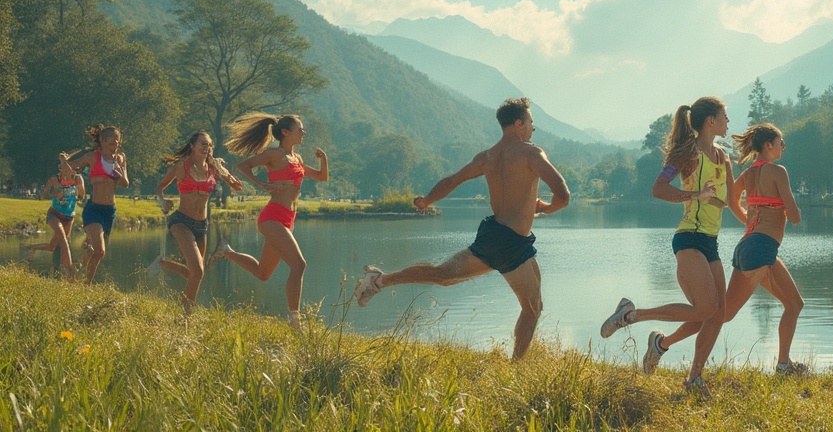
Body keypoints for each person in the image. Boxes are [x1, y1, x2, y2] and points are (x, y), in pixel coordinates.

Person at [353, 97, 570, 361]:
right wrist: (544, 208)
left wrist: (427, 200)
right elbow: (563, 195)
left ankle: (380, 279)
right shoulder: (532, 154)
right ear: (518, 124)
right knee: (532, 308)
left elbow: (452, 180)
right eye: (531, 123)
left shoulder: (487, 157)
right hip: (511, 242)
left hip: (493, 235)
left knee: (444, 275)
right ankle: (516, 369)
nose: (533, 129)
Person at [599, 96, 744, 397]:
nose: (728, 121)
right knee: (705, 308)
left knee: (715, 314)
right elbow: (658, 189)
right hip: (689, 237)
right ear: (710, 121)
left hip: (710, 241)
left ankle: (685, 370)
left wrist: (750, 216)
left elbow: (729, 201)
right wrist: (694, 196)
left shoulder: (724, 158)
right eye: (724, 116)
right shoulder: (688, 154)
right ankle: (632, 314)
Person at [641, 123, 806, 377]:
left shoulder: (749, 174)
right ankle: (783, 366)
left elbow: (732, 199)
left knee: (776, 306)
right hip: (760, 248)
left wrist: (748, 219)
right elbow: (794, 217)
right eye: (780, 142)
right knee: (730, 313)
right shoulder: (778, 172)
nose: (784, 146)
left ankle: (662, 344)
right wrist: (784, 207)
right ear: (768, 145)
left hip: (749, 245)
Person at [208, 113, 328, 329]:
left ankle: (227, 252)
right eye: (300, 129)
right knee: (299, 265)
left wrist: (324, 159)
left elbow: (321, 177)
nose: (304, 132)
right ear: (286, 132)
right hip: (272, 217)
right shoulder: (274, 155)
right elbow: (242, 166)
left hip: (288, 219)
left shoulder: (297, 159)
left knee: (263, 273)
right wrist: (261, 184)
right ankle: (294, 320)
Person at [150, 131, 243, 313]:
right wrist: (163, 202)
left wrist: (222, 170)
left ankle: (163, 263)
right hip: (181, 222)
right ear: (192, 146)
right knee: (198, 272)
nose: (206, 147)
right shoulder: (181, 167)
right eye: (202, 143)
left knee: (195, 274)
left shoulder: (212, 168)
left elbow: (237, 186)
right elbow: (159, 187)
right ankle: (185, 315)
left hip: (202, 226)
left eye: (208, 145)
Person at [63, 125, 129, 284]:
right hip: (94, 209)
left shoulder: (119, 159)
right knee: (100, 250)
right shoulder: (93, 157)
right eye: (112, 142)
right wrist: (62, 160)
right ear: (103, 141)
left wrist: (120, 174)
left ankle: (82, 277)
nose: (116, 146)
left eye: (117, 143)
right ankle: (86, 282)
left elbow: (125, 183)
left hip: (110, 211)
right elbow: (70, 166)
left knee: (97, 252)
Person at [23, 154, 86, 279]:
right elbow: (43, 195)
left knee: (53, 247)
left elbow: (82, 196)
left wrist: (80, 189)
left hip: (69, 217)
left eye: (71, 167)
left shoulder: (78, 179)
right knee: (63, 240)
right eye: (64, 167)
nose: (68, 170)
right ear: (60, 168)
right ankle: (71, 275)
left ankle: (32, 249)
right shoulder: (54, 180)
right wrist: (54, 194)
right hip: (54, 214)